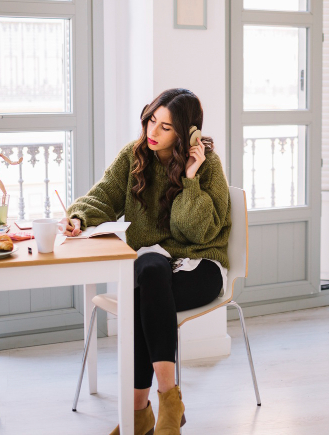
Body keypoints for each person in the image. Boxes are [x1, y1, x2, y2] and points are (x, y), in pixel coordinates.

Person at [65, 88, 230, 435]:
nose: (153, 132)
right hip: (154, 266)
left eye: (165, 127)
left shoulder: (208, 166)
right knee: (149, 272)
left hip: (200, 266)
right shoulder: (135, 155)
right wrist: (79, 217)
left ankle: (139, 415)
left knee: (143, 294)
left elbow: (197, 232)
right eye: (152, 120)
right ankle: (169, 403)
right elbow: (102, 197)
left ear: (187, 133)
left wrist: (190, 178)